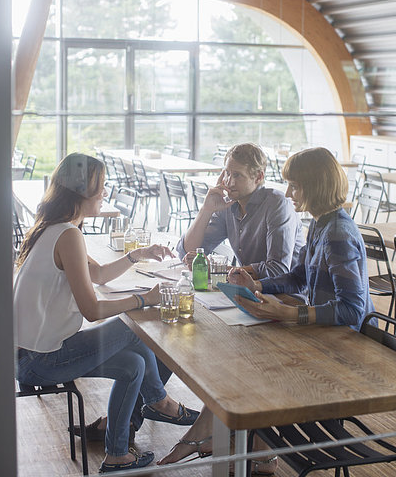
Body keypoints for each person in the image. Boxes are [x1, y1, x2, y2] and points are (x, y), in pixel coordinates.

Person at [159, 147, 375, 474]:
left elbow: (352, 310)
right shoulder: (322, 224)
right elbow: (299, 277)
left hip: (343, 351)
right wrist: (257, 287)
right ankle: (244, 447)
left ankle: (243, 448)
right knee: (241, 354)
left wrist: (291, 315)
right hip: (325, 336)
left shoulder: (338, 232)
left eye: (296, 186)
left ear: (316, 186)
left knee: (250, 360)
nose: (290, 192)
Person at [14, 153, 199, 474]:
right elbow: (93, 309)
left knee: (134, 365)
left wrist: (136, 255)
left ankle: (117, 455)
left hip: (29, 356)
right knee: (136, 325)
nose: (105, 192)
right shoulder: (68, 235)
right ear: (80, 191)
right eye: (100, 186)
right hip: (41, 360)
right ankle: (159, 401)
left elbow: (97, 276)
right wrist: (145, 298)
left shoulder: (55, 228)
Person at [177, 143, 305, 280]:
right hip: (249, 291)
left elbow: (277, 270)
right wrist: (206, 210)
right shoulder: (229, 204)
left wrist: (217, 270)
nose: (229, 182)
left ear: (258, 177)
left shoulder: (277, 204)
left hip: (284, 297)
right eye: (227, 173)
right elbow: (187, 252)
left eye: (237, 175)